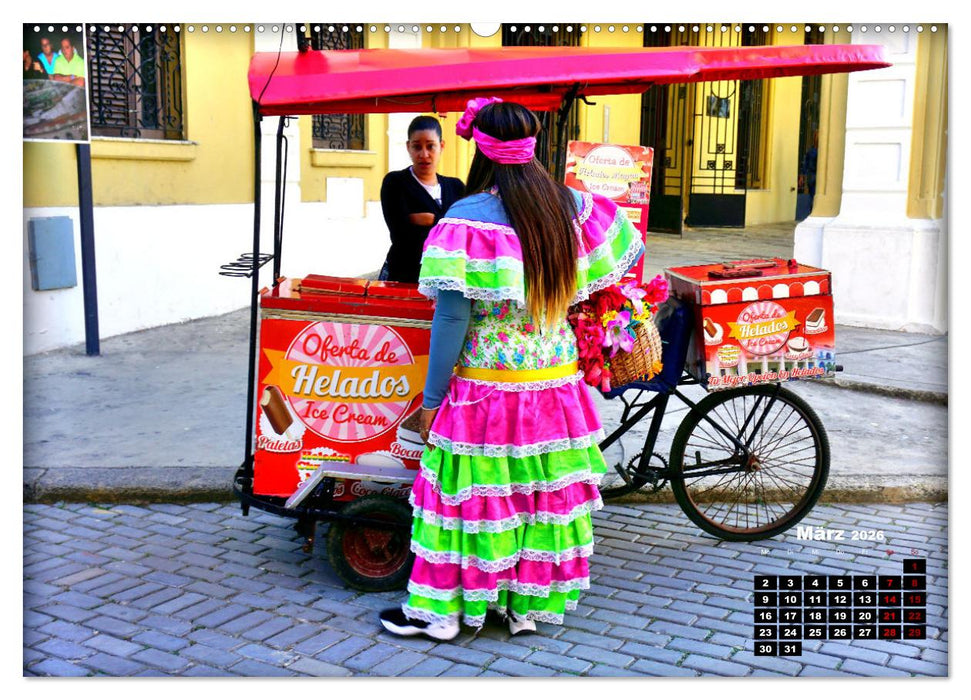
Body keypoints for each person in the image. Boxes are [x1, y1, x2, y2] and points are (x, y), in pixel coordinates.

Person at [379, 98, 644, 641]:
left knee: (473, 502)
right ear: (532, 144)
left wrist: (431, 402)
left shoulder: (467, 219)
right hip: (554, 385)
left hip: (487, 390)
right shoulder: (574, 209)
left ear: (480, 149)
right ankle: (523, 606)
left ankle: (443, 613)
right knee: (538, 496)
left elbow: (452, 317)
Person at [379, 116, 465, 283]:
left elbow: (465, 233)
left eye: (430, 146)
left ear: (441, 146)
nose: (424, 154)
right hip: (405, 277)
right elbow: (401, 235)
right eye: (417, 147)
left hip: (448, 278)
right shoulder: (395, 183)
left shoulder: (456, 187)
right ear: (408, 147)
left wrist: (432, 220)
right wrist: (447, 223)